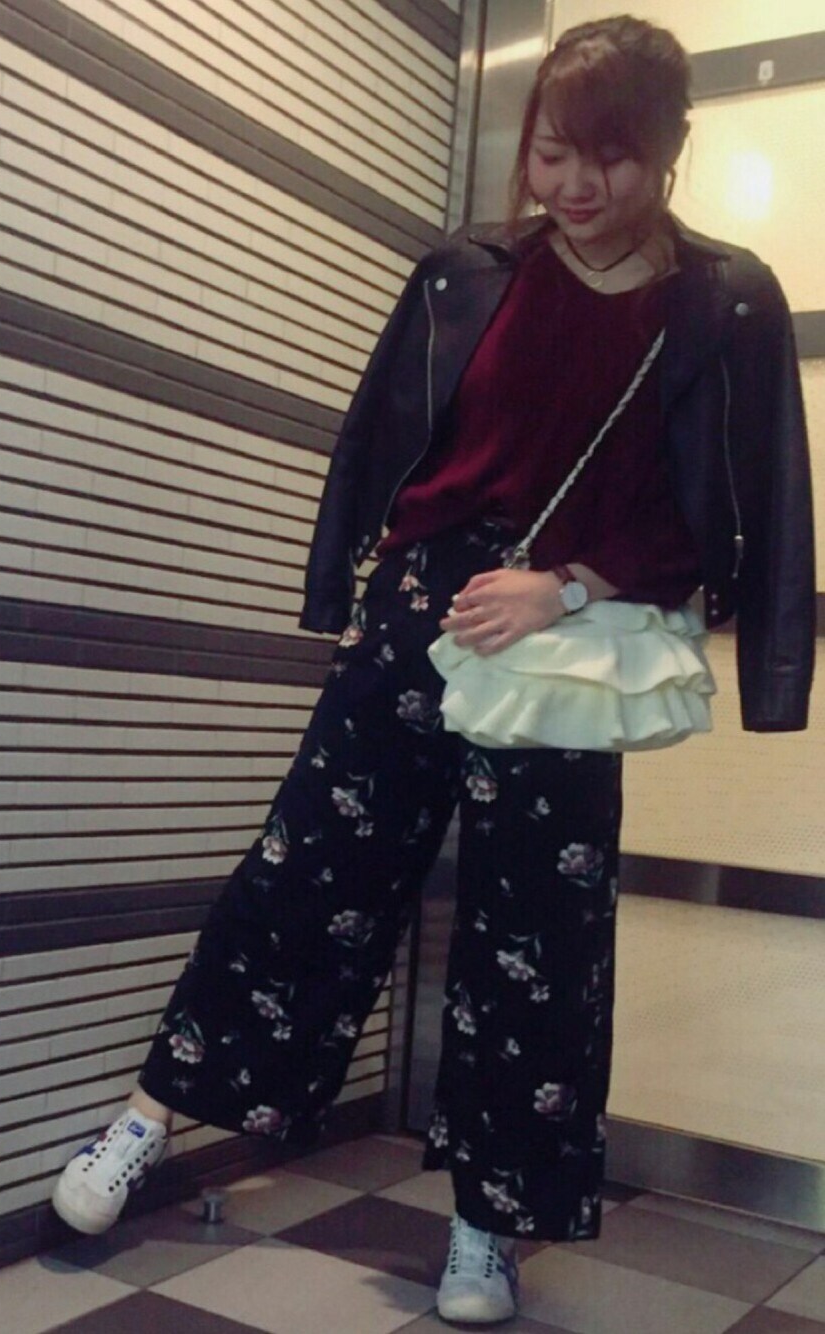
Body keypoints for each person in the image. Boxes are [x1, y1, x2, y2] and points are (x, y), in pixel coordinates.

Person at [50, 14, 815, 1326]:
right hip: (421, 609)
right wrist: (345, 595)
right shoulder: (465, 272)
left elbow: (739, 504)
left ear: (670, 149)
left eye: (611, 158)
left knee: (537, 939)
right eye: (553, 153)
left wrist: (570, 587)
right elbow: (378, 441)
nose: (575, 186)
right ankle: (149, 1116)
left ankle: (485, 1225)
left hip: (570, 635)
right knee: (303, 872)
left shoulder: (724, 300)